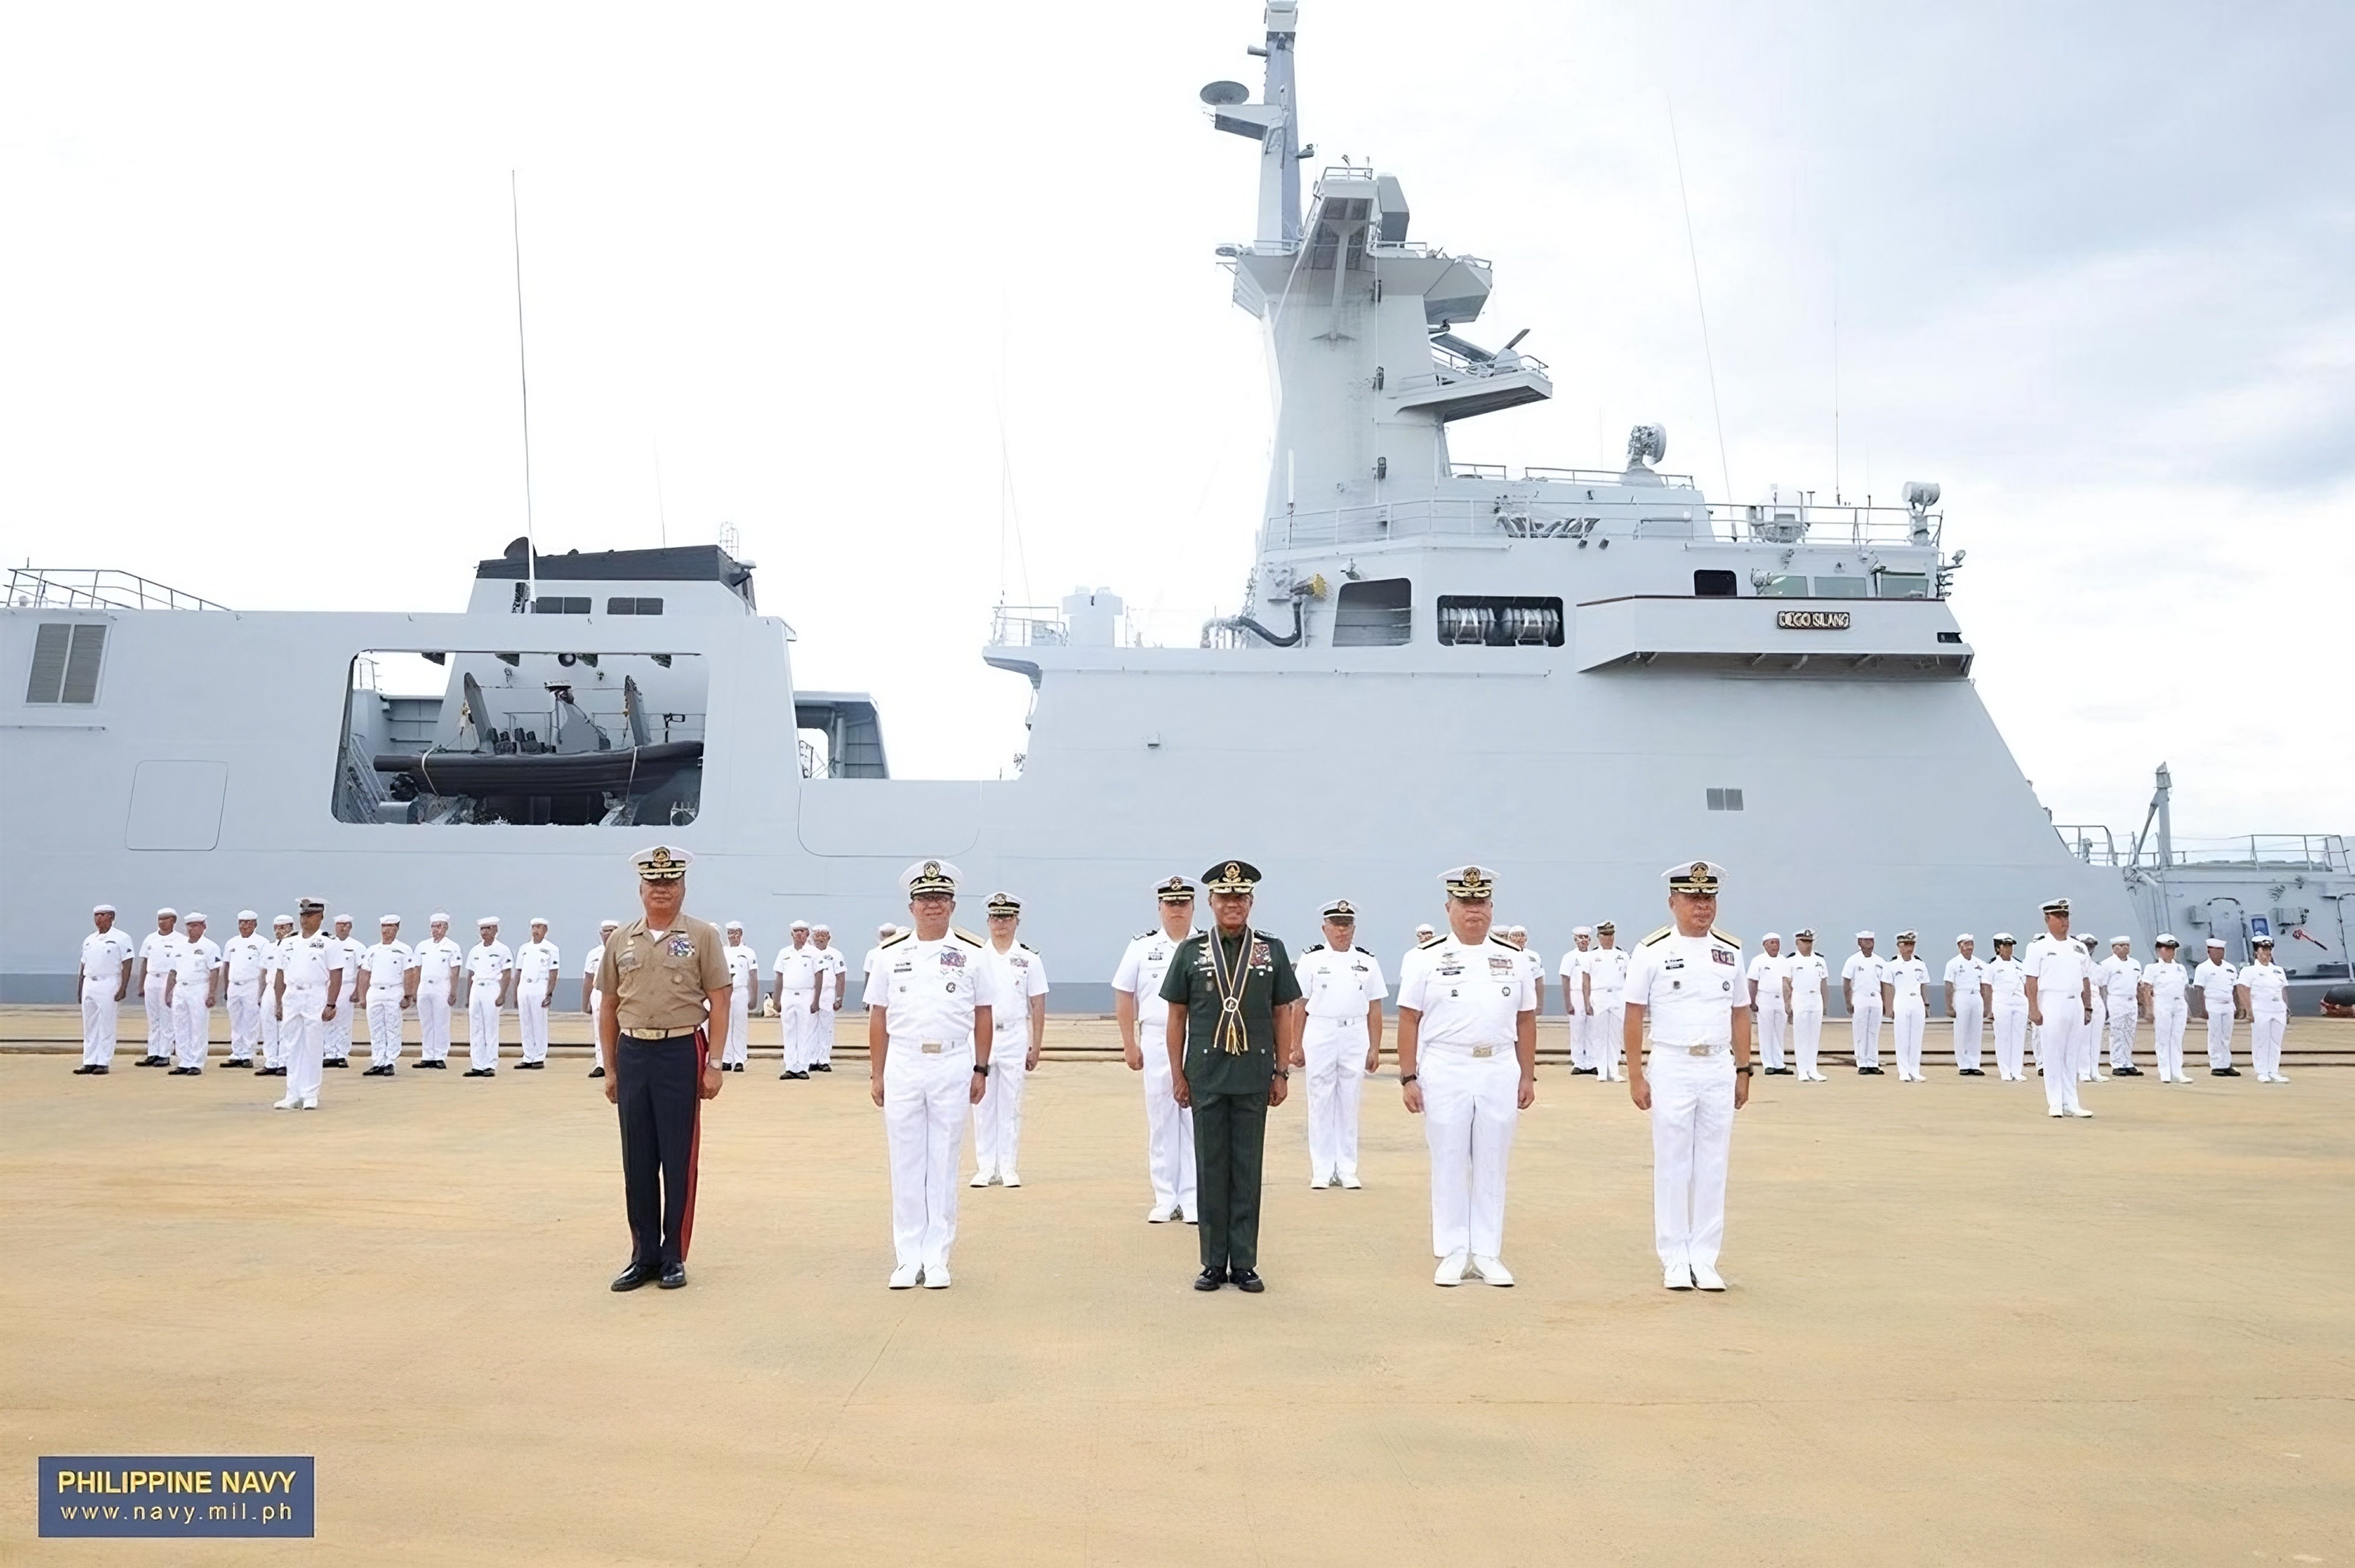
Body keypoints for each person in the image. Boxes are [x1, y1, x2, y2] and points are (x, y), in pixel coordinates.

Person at [1160, 860, 1301, 1294]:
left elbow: (1283, 1012)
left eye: (1240, 897)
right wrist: (1178, 1074)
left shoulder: (1271, 951)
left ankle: (1243, 1263)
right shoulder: (1191, 951)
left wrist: (1282, 1070)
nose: (1233, 904)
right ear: (1211, 902)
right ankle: (1211, 1263)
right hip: (1205, 1075)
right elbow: (1177, 1016)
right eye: (1225, 897)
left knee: (1246, 1168)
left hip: (1253, 1076)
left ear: (1251, 902)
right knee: (1210, 1167)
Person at [599, 845, 731, 1293]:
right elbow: (610, 1004)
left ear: (683, 888)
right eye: (655, 883)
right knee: (637, 1160)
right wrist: (611, 1068)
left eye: (670, 883)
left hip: (680, 1052)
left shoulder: (702, 936)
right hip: (634, 1052)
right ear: (641, 889)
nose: (662, 890)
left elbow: (720, 998)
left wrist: (714, 1063)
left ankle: (673, 1256)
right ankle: (643, 1256)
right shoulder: (622, 939)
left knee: (678, 1158)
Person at [1397, 866, 1535, 1287]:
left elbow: (1527, 1020)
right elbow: (1408, 1019)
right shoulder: (1425, 958)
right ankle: (1454, 1251)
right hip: (1445, 1067)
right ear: (1449, 908)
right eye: (1465, 904)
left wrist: (1527, 1075)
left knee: (1493, 1159)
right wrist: (1408, 1077)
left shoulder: (1514, 959)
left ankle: (1488, 1252)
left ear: (1492, 908)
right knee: (1450, 1159)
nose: (1473, 912)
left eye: (1480, 904)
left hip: (1497, 1066)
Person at [866, 860, 997, 1289]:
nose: (933, 906)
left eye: (940, 898)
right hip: (903, 1063)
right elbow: (878, 1017)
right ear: (912, 907)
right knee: (905, 1162)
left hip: (953, 1063)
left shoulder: (975, 954)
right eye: (925, 899)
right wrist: (877, 1074)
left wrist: (980, 1068)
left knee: (943, 1160)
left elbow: (983, 1014)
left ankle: (938, 1257)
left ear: (953, 905)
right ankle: (907, 1257)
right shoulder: (889, 955)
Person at [1623, 860, 1753, 1292]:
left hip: (1716, 1065)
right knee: (1674, 1162)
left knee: (1714, 1164)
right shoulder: (1652, 950)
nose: (1702, 906)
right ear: (1672, 901)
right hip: (1672, 1064)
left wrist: (1743, 1069)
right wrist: (1636, 1075)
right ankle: (1675, 1257)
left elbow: (1739, 1012)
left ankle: (1706, 1257)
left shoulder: (1730, 951)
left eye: (1709, 897)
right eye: (1693, 897)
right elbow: (1634, 1013)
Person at [1112, 876, 1200, 1223]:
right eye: (1171, 903)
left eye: (1183, 903)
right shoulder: (1141, 947)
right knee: (1162, 1119)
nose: (1177, 910)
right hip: (1155, 1038)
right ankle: (1166, 1197)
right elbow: (1124, 993)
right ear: (1160, 908)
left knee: (1196, 1120)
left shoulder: (1208, 945)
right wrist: (1129, 1043)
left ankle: (1193, 1197)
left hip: (1199, 1039)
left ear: (1193, 907)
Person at [1292, 899, 1386, 1190]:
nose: (1341, 931)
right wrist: (1295, 1046)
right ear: (1325, 928)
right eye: (1335, 925)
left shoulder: (1368, 962)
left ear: (1354, 928)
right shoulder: (1311, 960)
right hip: (1320, 1029)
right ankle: (1321, 1169)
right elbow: (1299, 1005)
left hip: (1354, 1031)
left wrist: (1375, 1047)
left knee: (1349, 1100)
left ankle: (1347, 1168)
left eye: (1346, 925)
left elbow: (1375, 1006)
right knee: (1320, 1100)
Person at [971, 893, 1049, 1189]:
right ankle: (985, 1167)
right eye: (995, 917)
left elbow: (1038, 1005)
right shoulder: (977, 957)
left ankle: (1008, 1166)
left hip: (1014, 1034)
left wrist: (1036, 1044)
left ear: (1017, 921)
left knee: (1011, 1101)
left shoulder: (1029, 959)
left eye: (1006, 918)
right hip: (982, 1036)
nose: (1000, 924)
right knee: (983, 1102)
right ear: (988, 921)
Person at [273, 898, 345, 1111]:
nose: (306, 920)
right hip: (292, 995)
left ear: (321, 917)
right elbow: (280, 973)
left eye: (311, 916)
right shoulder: (288, 942)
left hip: (315, 995)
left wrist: (331, 1003)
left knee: (313, 1045)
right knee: (292, 1044)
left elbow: (336, 973)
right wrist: (279, 1002)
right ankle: (292, 1093)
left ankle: (311, 1093)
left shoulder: (329, 942)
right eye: (303, 915)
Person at [2024, 898, 2094, 1118]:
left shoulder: (2078, 947)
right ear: (2048, 919)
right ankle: (2055, 1102)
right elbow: (2031, 981)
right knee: (2053, 1054)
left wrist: (2088, 1006)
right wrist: (2033, 1009)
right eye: (2059, 917)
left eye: (2066, 917)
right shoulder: (2038, 947)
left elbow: (2085, 979)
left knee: (2072, 1054)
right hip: (2052, 1001)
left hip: (2075, 1002)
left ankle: (2071, 1102)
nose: (2065, 921)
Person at [74, 903, 135, 1075]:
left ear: (111, 917)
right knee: (90, 1023)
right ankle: (89, 1060)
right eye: (97, 915)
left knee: (106, 1022)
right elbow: (83, 964)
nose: (99, 919)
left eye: (103, 915)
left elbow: (127, 962)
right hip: (90, 983)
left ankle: (103, 1061)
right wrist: (80, 988)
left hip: (108, 982)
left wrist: (123, 987)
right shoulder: (90, 940)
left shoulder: (121, 938)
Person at [161, 914, 222, 1074]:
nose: (192, 929)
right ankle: (184, 1061)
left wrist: (212, 994)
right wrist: (169, 992)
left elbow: (215, 971)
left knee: (198, 1026)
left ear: (204, 926)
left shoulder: (210, 947)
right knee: (180, 1025)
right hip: (181, 988)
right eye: (189, 925)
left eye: (196, 925)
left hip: (199, 987)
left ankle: (196, 1062)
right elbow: (173, 971)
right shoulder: (180, 946)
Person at [357, 916, 416, 1076]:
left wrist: (408, 995)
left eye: (391, 927)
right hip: (375, 991)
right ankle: (378, 1061)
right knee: (375, 1028)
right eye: (384, 926)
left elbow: (410, 972)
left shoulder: (404, 949)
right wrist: (362, 996)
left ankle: (390, 1061)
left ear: (397, 929)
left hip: (394, 991)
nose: (387, 930)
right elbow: (364, 974)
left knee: (393, 1027)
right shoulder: (373, 950)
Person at [134, 908, 186, 1068]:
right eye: (160, 919)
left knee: (167, 1017)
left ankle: (165, 1053)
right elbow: (144, 962)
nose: (162, 922)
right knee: (153, 1018)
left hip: (169, 979)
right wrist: (141, 983)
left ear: (173, 921)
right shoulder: (150, 939)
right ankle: (153, 1052)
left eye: (166, 919)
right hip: (152, 978)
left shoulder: (181, 940)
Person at [462, 918, 514, 1077]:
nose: (485, 932)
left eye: (489, 929)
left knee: (490, 1028)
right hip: (477, 988)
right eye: (482, 929)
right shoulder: (475, 951)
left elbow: (506, 973)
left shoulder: (503, 950)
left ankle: (490, 1064)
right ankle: (477, 1064)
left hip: (492, 988)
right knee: (476, 1028)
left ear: (496, 930)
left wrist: (502, 994)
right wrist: (468, 996)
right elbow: (471, 973)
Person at [771, 921, 822, 1080]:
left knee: (805, 1032)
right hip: (788, 994)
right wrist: (776, 999)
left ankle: (803, 1067)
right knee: (789, 1031)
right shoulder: (784, 953)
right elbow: (779, 976)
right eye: (796, 931)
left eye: (802, 931)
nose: (799, 934)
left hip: (807, 994)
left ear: (807, 934)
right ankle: (791, 1066)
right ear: (791, 934)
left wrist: (816, 1000)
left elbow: (819, 976)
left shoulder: (814, 953)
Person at [220, 912, 270, 1069]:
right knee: (236, 1021)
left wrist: (262, 990)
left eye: (248, 923)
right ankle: (237, 1053)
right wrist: (227, 987)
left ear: (255, 924)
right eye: (241, 923)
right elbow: (226, 965)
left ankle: (248, 1054)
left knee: (251, 1020)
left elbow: (265, 968)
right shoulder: (232, 943)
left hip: (252, 985)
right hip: (234, 984)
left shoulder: (263, 943)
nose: (244, 926)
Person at [2237, 936, 2291, 1082]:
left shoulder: (2278, 971)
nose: (2266, 953)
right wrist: (2248, 1010)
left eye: (2269, 949)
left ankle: (2274, 1071)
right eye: (2263, 949)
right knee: (2261, 1041)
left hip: (2277, 1009)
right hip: (2261, 1009)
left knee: (2275, 1041)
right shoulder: (2249, 971)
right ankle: (2262, 1071)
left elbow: (2283, 991)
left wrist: (2286, 1008)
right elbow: (2242, 989)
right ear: (2256, 951)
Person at [2139, 935, 2192, 1083]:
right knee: (2163, 1038)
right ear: (2159, 950)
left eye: (2172, 949)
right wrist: (2148, 1009)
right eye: (2167, 948)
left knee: (2177, 1038)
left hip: (2179, 1003)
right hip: (2162, 1002)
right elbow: (2146, 989)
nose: (2170, 952)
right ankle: (2165, 1071)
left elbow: (2185, 989)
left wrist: (2187, 1009)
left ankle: (2177, 1072)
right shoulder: (2152, 968)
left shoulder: (2180, 968)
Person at [412, 914, 461, 1071]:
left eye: (439, 926)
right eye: (433, 926)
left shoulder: (452, 947)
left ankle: (439, 1056)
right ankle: (427, 1056)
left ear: (446, 928)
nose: (436, 929)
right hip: (425, 987)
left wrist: (453, 991)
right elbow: (416, 970)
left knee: (441, 1022)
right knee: (426, 1023)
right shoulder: (422, 946)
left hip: (442, 987)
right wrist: (414, 990)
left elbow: (455, 971)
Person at [1585, 921, 1631, 1082]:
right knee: (1599, 1034)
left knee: (1615, 1035)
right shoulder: (1591, 956)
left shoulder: (1623, 955)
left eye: (1611, 935)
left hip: (1618, 995)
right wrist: (1586, 1002)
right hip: (1599, 996)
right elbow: (1586, 979)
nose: (1608, 938)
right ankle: (1602, 1070)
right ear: (1599, 937)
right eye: (1605, 935)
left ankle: (1614, 1069)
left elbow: (1629, 978)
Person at [1882, 931, 1931, 1081]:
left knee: (1916, 1038)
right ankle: (1903, 1071)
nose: (1910, 948)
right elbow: (1888, 986)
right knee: (1902, 1037)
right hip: (1901, 1000)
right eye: (1907, 945)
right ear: (1899, 946)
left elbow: (1923, 986)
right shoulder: (1892, 965)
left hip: (1917, 1001)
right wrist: (1889, 1007)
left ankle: (1915, 1070)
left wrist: (1926, 1004)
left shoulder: (1920, 964)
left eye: (1912, 945)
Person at [1783, 929, 1829, 1082]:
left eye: (1810, 942)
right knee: (1801, 1035)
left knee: (1814, 1036)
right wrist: (1788, 1005)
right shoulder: (1791, 961)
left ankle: (1813, 1069)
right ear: (1797, 943)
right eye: (1804, 942)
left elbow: (1824, 983)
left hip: (1815, 998)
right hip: (1800, 998)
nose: (1807, 945)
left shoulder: (1820, 960)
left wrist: (1825, 1002)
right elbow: (1786, 984)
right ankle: (1802, 1070)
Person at [514, 919, 561, 1070]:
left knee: (538, 1022)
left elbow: (554, 972)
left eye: (540, 927)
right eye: (534, 927)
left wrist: (550, 992)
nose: (536, 930)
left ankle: (539, 1056)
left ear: (546, 930)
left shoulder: (551, 949)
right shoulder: (524, 948)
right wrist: (516, 991)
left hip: (540, 986)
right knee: (526, 1022)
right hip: (524, 987)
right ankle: (528, 1056)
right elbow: (518, 971)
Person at [1985, 934, 2029, 1081]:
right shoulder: (1992, 966)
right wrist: (1989, 1008)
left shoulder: (2019, 965)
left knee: (2018, 1037)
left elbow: (2027, 986)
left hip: (2020, 1003)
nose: (2009, 949)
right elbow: (1987, 987)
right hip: (2001, 1003)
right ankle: (2005, 1070)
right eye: (2005, 945)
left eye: (2011, 945)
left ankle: (2017, 1071)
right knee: (2003, 1037)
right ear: (1998, 948)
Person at [324, 915, 365, 1069]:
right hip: (329, 985)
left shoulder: (357, 946)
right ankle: (329, 1053)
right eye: (339, 925)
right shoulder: (328, 944)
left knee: (343, 1022)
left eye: (346, 925)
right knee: (327, 1020)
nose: (342, 928)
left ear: (351, 927)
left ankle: (341, 1054)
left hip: (348, 986)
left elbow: (362, 970)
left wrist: (358, 991)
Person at [1944, 935, 1989, 1076]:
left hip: (1976, 996)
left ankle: (1974, 1063)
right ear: (1960, 946)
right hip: (1961, 995)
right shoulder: (1953, 964)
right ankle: (1963, 1064)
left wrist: (1987, 1004)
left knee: (1976, 1031)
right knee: (1962, 1031)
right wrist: (1950, 1006)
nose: (1969, 947)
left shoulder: (1980, 964)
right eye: (1966, 944)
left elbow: (1984, 986)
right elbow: (1949, 985)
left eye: (1971, 944)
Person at [2194, 938, 2239, 1077]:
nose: (2220, 953)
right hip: (2212, 1004)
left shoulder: (2230, 968)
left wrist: (2237, 1006)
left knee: (2226, 1035)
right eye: (2217, 950)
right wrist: (2202, 1008)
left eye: (2222, 950)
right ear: (2209, 951)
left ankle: (2227, 1064)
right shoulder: (2203, 968)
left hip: (2228, 1004)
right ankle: (2217, 1065)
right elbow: (2198, 989)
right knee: (2215, 1035)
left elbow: (2236, 989)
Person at [1746, 933, 1790, 1075]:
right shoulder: (1758, 961)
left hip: (1781, 1000)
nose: (1775, 946)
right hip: (1764, 999)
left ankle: (1779, 1063)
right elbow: (1752, 982)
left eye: (1777, 942)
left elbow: (1788, 983)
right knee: (1766, 1032)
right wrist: (1752, 1002)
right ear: (1765, 945)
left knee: (1779, 1033)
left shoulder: (1784, 961)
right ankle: (1768, 1064)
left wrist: (1789, 1002)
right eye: (1771, 943)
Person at [257, 915, 295, 1077]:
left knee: (285, 1027)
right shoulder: (268, 947)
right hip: (270, 988)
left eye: (284, 927)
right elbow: (263, 971)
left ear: (291, 928)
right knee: (269, 1026)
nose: (280, 931)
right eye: (277, 928)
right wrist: (260, 993)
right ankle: (271, 1061)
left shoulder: (293, 946)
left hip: (287, 988)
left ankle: (285, 1062)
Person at [1842, 932, 1885, 1075]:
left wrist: (1887, 1003)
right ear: (1859, 942)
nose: (1869, 943)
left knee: (1873, 1032)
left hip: (1876, 999)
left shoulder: (1881, 961)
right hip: (1860, 998)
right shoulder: (1853, 960)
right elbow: (1847, 982)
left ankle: (1873, 1062)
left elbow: (1886, 984)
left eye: (1871, 940)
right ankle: (1862, 1063)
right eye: (1865, 941)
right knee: (1861, 1031)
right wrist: (1848, 1002)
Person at [2099, 936, 2142, 1076]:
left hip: (2132, 1001)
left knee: (2130, 1032)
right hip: (2116, 1000)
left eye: (2127, 945)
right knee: (2117, 1032)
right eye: (2121, 945)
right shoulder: (2107, 964)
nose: (2125, 948)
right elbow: (2103, 987)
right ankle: (2117, 1063)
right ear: (2114, 948)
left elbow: (2139, 984)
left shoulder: (2135, 964)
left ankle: (2127, 1062)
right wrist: (2104, 1006)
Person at [582, 918, 620, 1078]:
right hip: (598, 993)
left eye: (611, 931)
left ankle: (617, 1063)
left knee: (618, 1029)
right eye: (605, 931)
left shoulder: (624, 950)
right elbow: (588, 978)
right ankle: (601, 1064)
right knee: (599, 1028)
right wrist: (585, 1003)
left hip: (618, 993)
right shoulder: (594, 954)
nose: (608, 934)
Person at [719, 921, 758, 1072]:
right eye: (730, 933)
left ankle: (740, 1059)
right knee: (725, 1025)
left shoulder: (748, 952)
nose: (732, 936)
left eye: (735, 933)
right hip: (725, 991)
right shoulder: (723, 951)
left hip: (741, 991)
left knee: (740, 1025)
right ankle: (727, 1059)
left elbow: (753, 975)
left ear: (741, 935)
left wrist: (754, 997)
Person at [1558, 926, 1596, 1073]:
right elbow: (1565, 979)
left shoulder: (1594, 956)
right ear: (1575, 940)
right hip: (1576, 995)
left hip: (1592, 995)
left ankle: (1592, 1062)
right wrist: (1568, 1002)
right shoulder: (1569, 957)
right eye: (1581, 938)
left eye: (1586, 938)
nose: (1584, 941)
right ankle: (1579, 1062)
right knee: (1577, 1030)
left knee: (1592, 1029)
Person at [810, 925, 848, 1072]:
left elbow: (841, 976)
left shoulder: (835, 954)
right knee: (811, 1027)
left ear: (829, 938)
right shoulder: (807, 953)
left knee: (826, 1027)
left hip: (827, 994)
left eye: (823, 935)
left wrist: (839, 997)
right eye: (817, 935)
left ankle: (824, 1059)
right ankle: (812, 1059)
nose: (819, 938)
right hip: (810, 994)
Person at [2077, 935, 2110, 1083]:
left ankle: (2094, 1070)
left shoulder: (2098, 967)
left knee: (2096, 1039)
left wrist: (2106, 1006)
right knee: (2083, 1038)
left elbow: (2103, 988)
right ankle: (2083, 1070)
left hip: (2097, 1001)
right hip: (2082, 1001)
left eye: (2091, 946)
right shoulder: (2074, 964)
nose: (2089, 948)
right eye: (2086, 945)